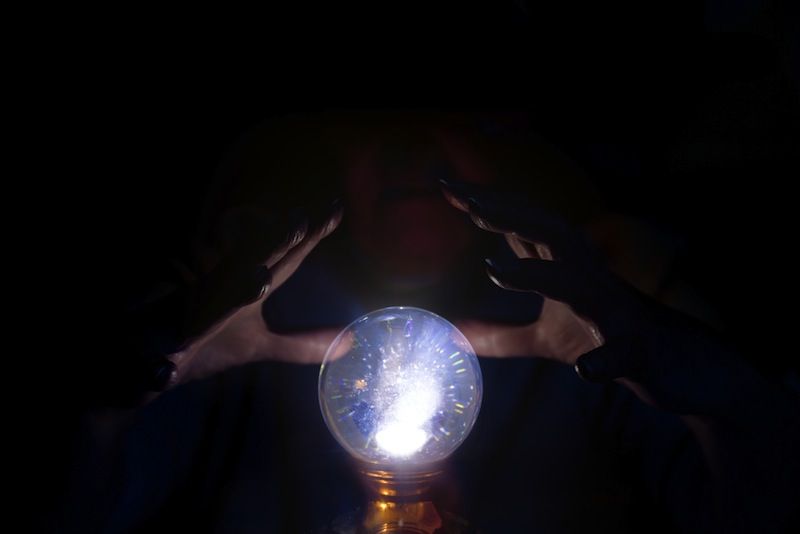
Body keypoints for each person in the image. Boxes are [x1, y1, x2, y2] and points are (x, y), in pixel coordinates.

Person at [57, 112, 799, 533]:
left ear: (503, 141)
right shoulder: (233, 335)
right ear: (325, 148)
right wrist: (101, 409)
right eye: (373, 113)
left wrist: (729, 402)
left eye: (448, 112)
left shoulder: (596, 334)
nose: (409, 150)